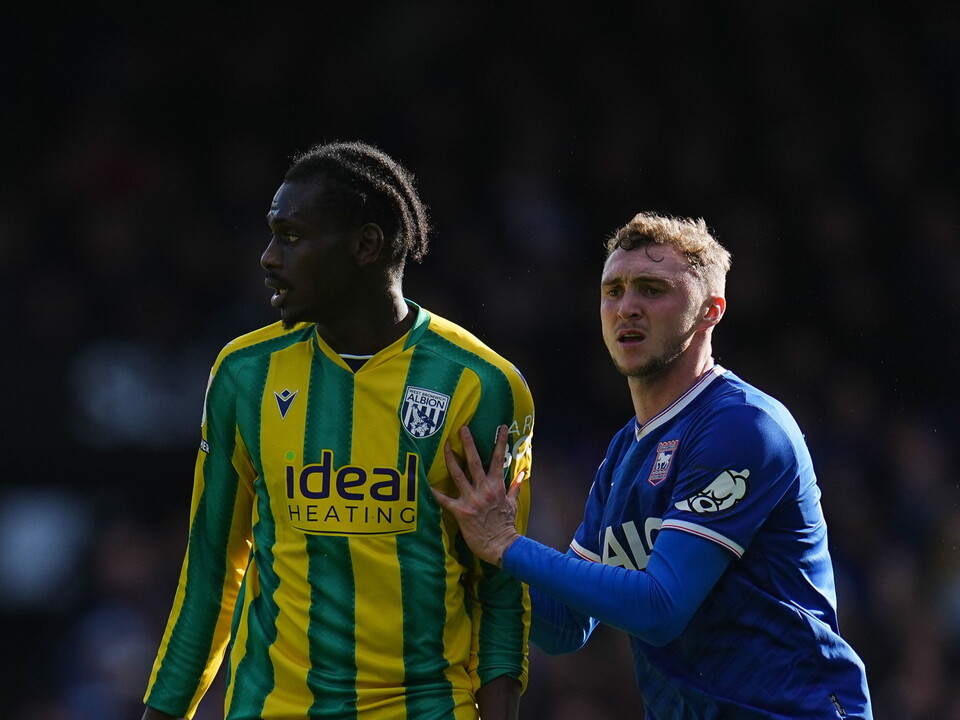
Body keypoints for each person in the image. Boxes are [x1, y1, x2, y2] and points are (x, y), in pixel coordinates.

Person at [140, 141, 535, 720]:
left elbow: (502, 590)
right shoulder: (244, 375)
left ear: (365, 245)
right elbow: (210, 572)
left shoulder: (481, 386)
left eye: (292, 236)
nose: (269, 257)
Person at [434, 212, 873, 719]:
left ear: (711, 310)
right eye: (613, 290)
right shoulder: (625, 452)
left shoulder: (743, 426)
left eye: (651, 289)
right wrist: (466, 551)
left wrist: (507, 545)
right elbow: (566, 627)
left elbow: (660, 607)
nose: (627, 308)